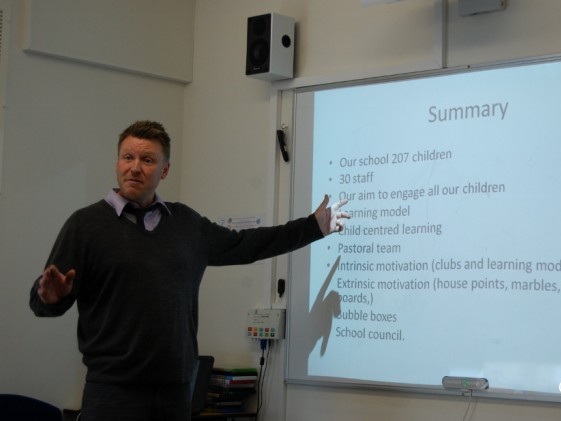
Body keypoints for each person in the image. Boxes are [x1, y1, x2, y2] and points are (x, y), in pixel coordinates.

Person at [29, 120, 350, 421]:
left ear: (165, 170)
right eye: (128, 157)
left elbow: (247, 244)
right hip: (113, 392)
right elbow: (42, 301)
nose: (135, 167)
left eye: (147, 160)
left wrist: (313, 227)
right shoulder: (85, 225)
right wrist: (51, 297)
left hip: (177, 391)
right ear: (117, 163)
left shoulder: (185, 224)